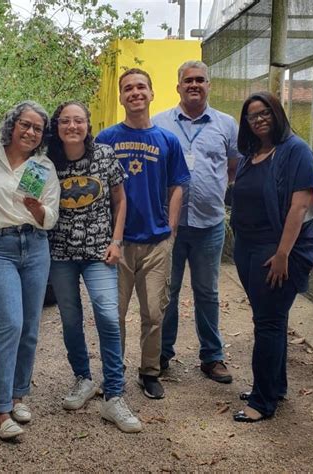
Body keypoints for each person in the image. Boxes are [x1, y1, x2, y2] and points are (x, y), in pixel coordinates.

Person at [47, 101, 141, 433]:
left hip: (99, 252)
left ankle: (114, 395)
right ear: (57, 126)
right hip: (59, 252)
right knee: (70, 318)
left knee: (107, 314)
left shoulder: (104, 155)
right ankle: (83, 379)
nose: (72, 126)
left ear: (88, 124)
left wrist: (116, 241)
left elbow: (120, 199)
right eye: (65, 121)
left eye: (78, 121)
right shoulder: (45, 160)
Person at [96, 68, 190, 399]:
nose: (134, 93)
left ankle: (149, 371)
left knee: (153, 313)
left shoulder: (168, 141)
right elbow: (95, 187)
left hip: (156, 242)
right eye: (128, 89)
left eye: (141, 87)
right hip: (117, 243)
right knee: (114, 314)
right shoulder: (106, 139)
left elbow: (178, 184)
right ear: (121, 97)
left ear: (151, 94)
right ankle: (113, 371)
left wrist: (172, 229)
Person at [231, 91, 313, 422]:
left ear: (277, 113)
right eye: (252, 115)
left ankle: (262, 401)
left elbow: (300, 206)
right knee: (272, 319)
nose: (259, 119)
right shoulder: (250, 154)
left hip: (278, 249)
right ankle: (274, 386)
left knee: (266, 323)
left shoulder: (295, 151)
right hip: (248, 246)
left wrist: (283, 254)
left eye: (265, 112)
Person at [152, 60, 240, 384]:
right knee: (167, 292)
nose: (194, 85)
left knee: (208, 292)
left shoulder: (226, 124)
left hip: (209, 226)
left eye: (200, 80)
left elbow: (232, 167)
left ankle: (212, 357)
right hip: (169, 225)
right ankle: (161, 355)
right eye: (188, 80)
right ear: (178, 86)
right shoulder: (159, 123)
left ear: (209, 85)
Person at [0, 101, 60, 439]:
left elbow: (50, 218)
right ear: (12, 124)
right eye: (25, 124)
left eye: (37, 129)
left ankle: (18, 394)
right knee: (9, 322)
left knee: (30, 326)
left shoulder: (43, 166)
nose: (30, 132)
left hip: (35, 245)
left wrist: (37, 208)